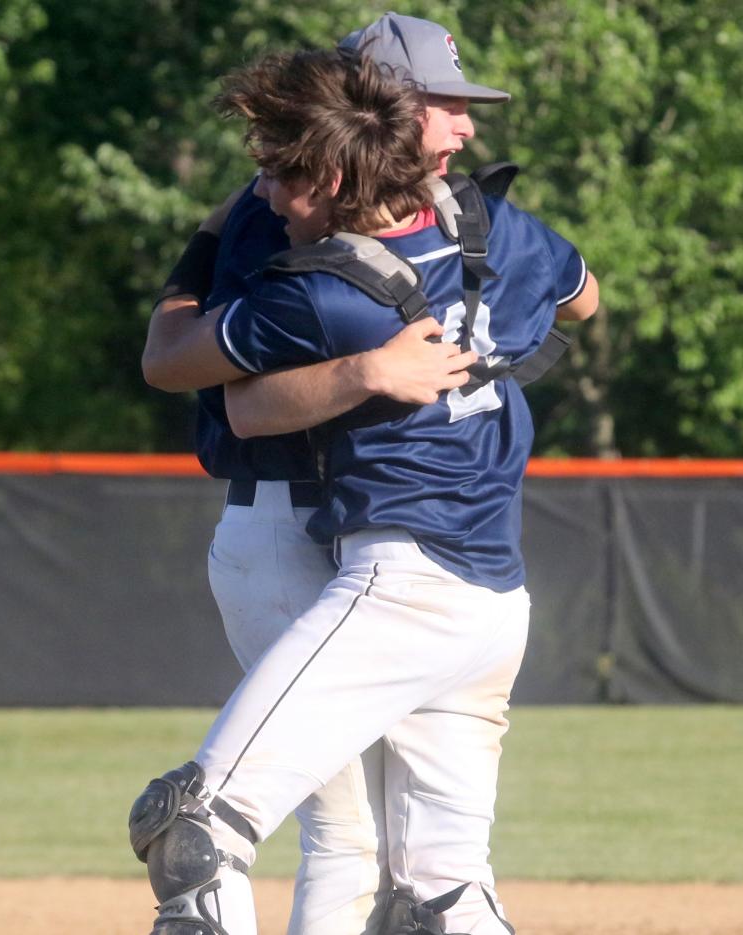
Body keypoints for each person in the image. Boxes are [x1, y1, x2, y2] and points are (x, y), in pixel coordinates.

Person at [131, 44, 597, 935]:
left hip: (397, 588)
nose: (266, 195)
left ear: (338, 168)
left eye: (281, 175)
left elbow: (225, 401)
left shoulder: (321, 287)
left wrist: (366, 370)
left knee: (193, 829)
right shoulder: (502, 234)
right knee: (442, 893)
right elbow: (585, 301)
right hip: (493, 601)